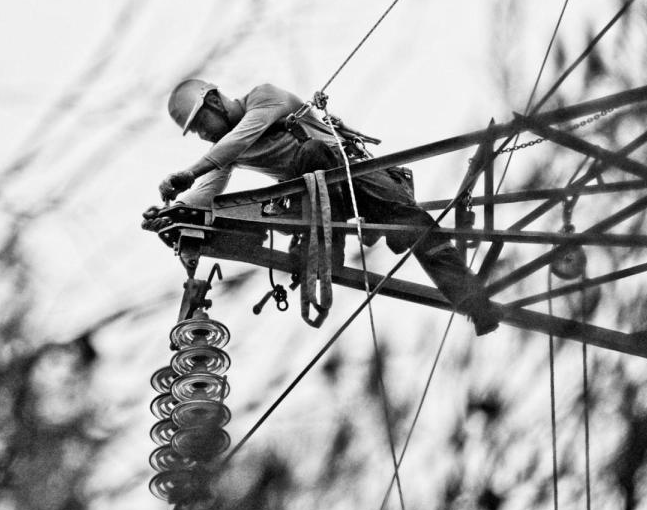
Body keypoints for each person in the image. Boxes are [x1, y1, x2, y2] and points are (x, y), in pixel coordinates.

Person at [150, 79, 502, 335]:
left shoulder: (264, 98)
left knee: (415, 226)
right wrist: (172, 212)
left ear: (213, 101)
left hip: (355, 178)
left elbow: (235, 142)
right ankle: (327, 246)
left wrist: (188, 172)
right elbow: (208, 190)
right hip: (319, 198)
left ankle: (474, 302)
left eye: (199, 125)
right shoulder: (226, 149)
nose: (202, 135)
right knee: (308, 177)